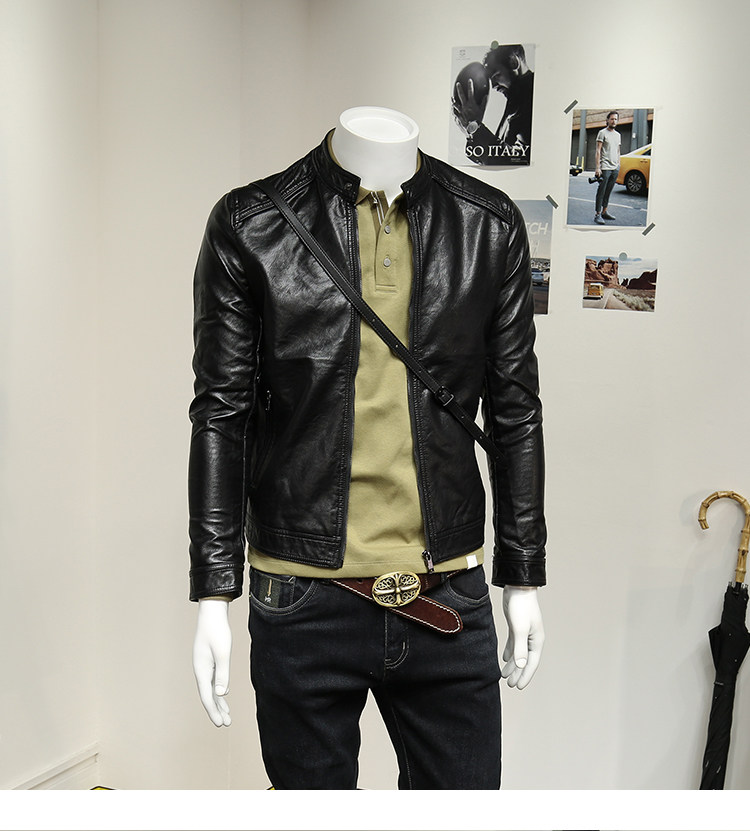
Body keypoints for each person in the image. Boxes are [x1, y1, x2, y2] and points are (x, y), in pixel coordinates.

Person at [189, 107, 547, 789]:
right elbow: (221, 414)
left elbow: (516, 412)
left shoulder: (488, 223)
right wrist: (214, 590)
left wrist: (522, 574)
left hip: (447, 591)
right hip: (300, 595)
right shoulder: (251, 223)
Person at [453, 43, 534, 165]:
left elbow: (517, 160)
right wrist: (471, 132)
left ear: (514, 62)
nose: (494, 86)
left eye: (496, 76)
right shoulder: (517, 100)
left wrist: (475, 128)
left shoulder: (531, 98)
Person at [594, 111, 621, 224]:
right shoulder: (602, 133)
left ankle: (604, 212)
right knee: (601, 191)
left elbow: (618, 150)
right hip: (605, 167)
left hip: (615, 167)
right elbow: (598, 151)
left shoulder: (618, 135)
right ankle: (597, 214)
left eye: (615, 119)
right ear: (607, 120)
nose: (614, 121)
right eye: (612, 119)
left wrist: (618, 164)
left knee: (608, 191)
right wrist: (597, 167)